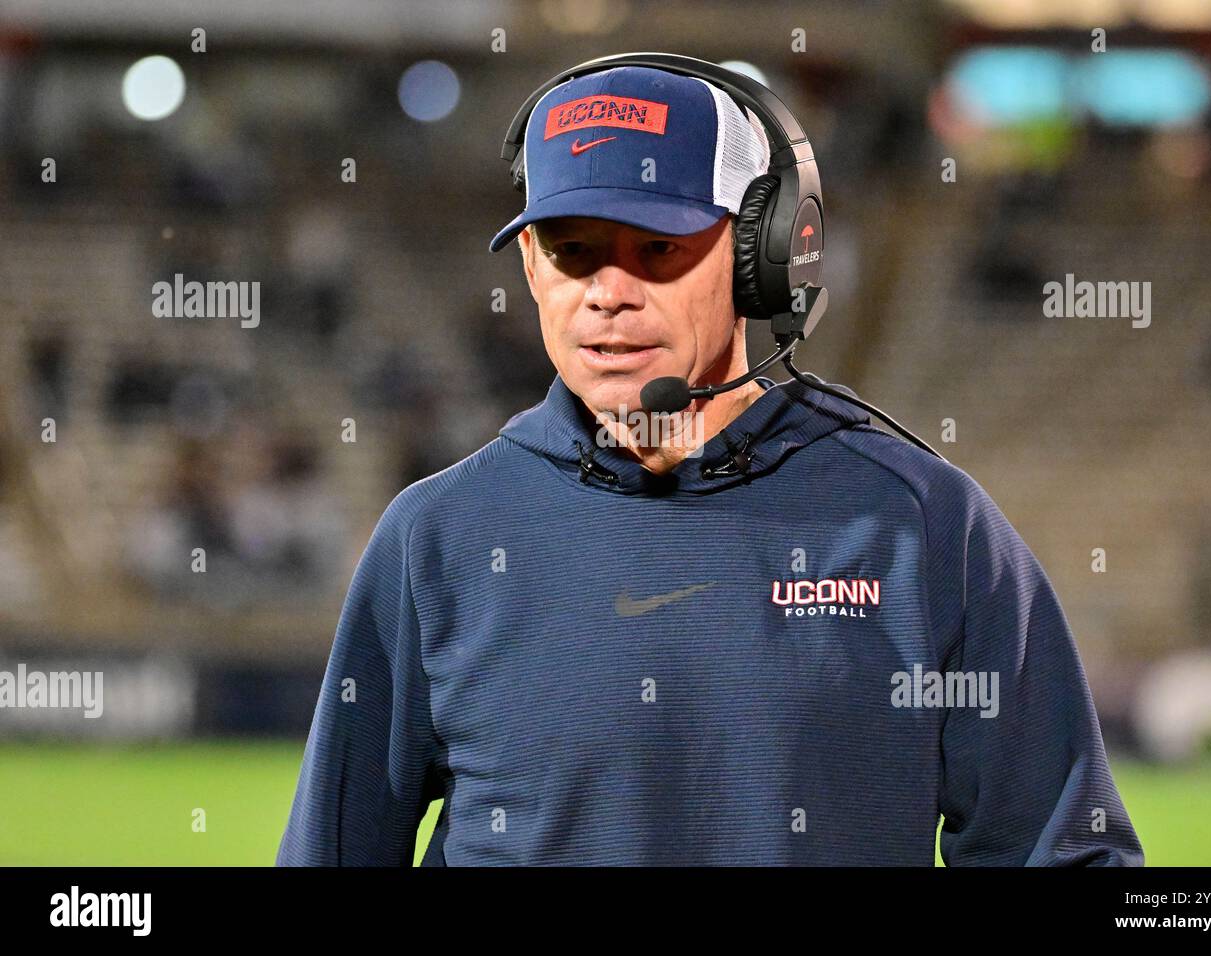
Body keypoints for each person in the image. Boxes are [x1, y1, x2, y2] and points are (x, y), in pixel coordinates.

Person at [277, 60, 1143, 866]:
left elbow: (1065, 856)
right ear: (533, 268)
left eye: (657, 247)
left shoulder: (923, 527)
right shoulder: (436, 540)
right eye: (573, 250)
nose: (608, 292)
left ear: (761, 256)